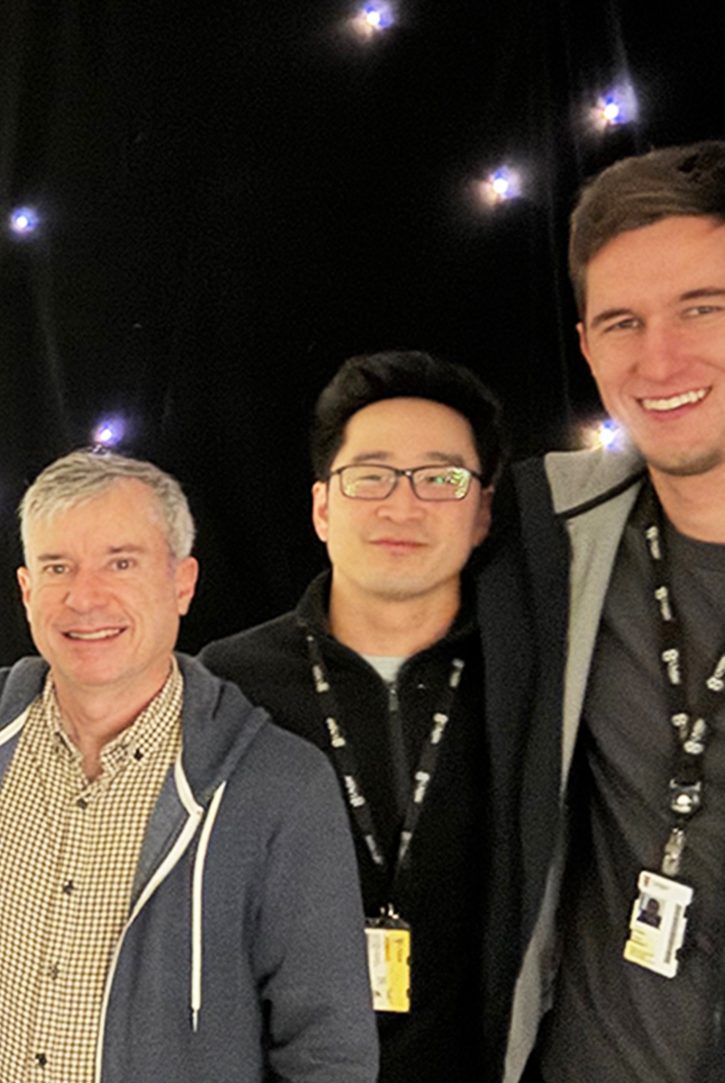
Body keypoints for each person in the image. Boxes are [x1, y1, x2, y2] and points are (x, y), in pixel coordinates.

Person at [482, 140, 725, 1083]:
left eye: (702, 307)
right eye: (620, 322)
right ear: (585, 346)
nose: (659, 359)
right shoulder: (540, 533)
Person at [0, 450, 376, 1083]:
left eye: (121, 563)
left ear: (182, 582)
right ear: (26, 591)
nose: (85, 597)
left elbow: (328, 1051)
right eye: (58, 567)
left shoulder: (279, 788)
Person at [200, 351, 505, 1081]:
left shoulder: (525, 675)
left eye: (440, 478)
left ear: (482, 513)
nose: (401, 506)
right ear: (321, 507)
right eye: (369, 476)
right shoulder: (225, 683)